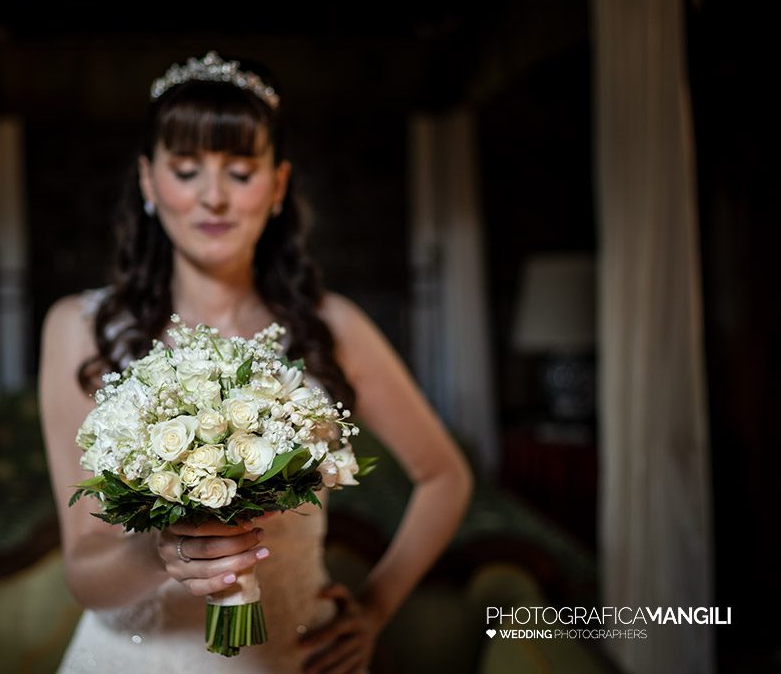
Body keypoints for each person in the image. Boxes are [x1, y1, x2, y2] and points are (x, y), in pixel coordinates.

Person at [39, 51, 473, 673]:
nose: (213, 197)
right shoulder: (79, 331)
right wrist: (163, 551)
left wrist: (375, 607)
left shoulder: (333, 327)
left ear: (278, 185)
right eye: (186, 170)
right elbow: (84, 571)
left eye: (240, 172)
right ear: (147, 181)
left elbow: (445, 476)